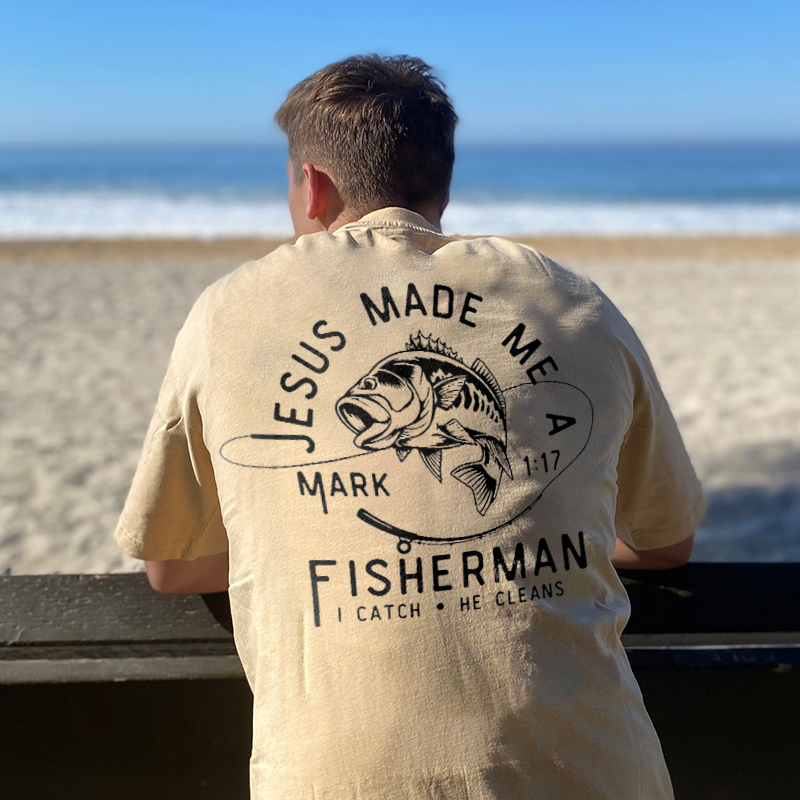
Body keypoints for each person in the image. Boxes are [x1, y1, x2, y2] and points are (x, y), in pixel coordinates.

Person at [115, 54, 705, 800]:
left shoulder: (228, 313)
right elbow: (666, 540)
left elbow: (170, 566)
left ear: (313, 185)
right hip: (595, 773)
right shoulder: (575, 301)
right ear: (441, 187)